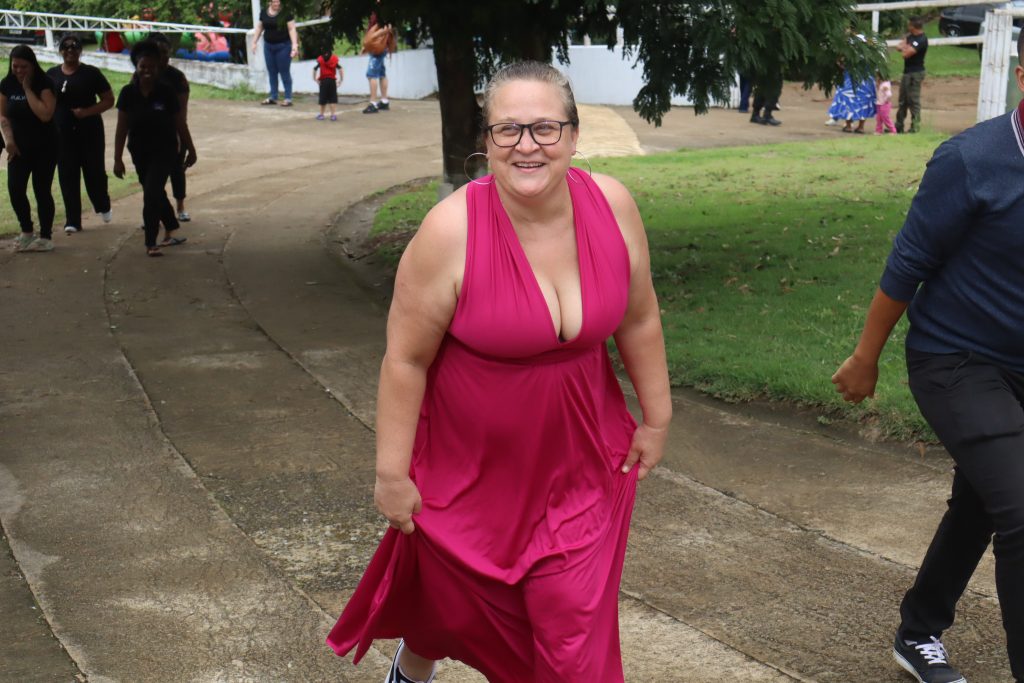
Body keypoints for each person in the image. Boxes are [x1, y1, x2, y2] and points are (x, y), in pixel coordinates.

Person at [326, 60, 672, 683]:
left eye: (545, 128)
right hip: (470, 473)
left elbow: (640, 316)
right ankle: (415, 662)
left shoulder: (613, 206)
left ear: (573, 135)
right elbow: (406, 359)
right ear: (486, 141)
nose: (526, 145)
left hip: (580, 468)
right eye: (507, 129)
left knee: (569, 637)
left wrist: (657, 417)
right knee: (456, 603)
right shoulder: (450, 230)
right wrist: (391, 474)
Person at [832, 31, 1024, 683]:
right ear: (1023, 77)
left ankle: (918, 631)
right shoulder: (972, 160)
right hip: (956, 358)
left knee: (985, 500)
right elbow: (908, 261)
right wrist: (866, 356)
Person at [113, 40, 197, 257]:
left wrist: (190, 148)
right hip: (139, 151)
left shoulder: (166, 93)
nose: (147, 71)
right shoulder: (127, 93)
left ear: (158, 68)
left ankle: (151, 241)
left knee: (151, 193)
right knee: (155, 191)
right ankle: (171, 224)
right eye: (143, 66)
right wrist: (117, 158)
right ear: (136, 67)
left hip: (164, 150)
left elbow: (180, 123)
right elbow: (121, 128)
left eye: (151, 66)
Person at [47, 34, 114, 235]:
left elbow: (108, 100)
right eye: (66, 47)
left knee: (94, 173)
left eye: (74, 47)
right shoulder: (51, 75)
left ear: (80, 50)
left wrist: (86, 112)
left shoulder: (91, 73)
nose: (70, 50)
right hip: (62, 134)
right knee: (67, 175)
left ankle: (102, 204)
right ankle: (73, 220)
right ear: (60, 50)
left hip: (90, 132)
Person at [0, 45, 58, 253]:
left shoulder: (45, 83)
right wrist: (9, 140)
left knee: (42, 190)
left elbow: (45, 114)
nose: (19, 70)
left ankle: (46, 236)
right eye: (15, 66)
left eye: (23, 66)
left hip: (45, 147)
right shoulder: (6, 84)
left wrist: (27, 89)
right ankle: (26, 231)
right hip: (18, 148)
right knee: (15, 188)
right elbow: (3, 115)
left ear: (32, 65)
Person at [150, 32, 193, 224]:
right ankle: (154, 210)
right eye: (159, 53)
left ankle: (180, 206)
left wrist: (180, 136)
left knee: (176, 169)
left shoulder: (177, 78)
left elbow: (182, 111)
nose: (163, 57)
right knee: (151, 175)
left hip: (174, 129)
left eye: (166, 53)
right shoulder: (142, 74)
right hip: (149, 132)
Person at [251, 0, 298, 107]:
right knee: (272, 71)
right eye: (274, 2)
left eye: (278, 2)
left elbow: (291, 29)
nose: (277, 4)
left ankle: (288, 98)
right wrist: (254, 42)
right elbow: (260, 27)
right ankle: (273, 96)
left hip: (283, 46)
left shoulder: (286, 13)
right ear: (269, 2)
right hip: (268, 46)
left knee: (284, 72)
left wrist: (294, 45)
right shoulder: (264, 12)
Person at [895, 17, 928, 134]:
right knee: (902, 101)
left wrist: (905, 48)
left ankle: (915, 127)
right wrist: (906, 47)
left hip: (915, 73)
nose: (908, 27)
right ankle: (898, 126)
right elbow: (898, 47)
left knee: (913, 101)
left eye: (909, 25)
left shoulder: (922, 39)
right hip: (907, 72)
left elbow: (905, 54)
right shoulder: (910, 37)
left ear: (913, 26)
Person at [360, 11, 396, 114]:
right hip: (380, 47)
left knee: (371, 75)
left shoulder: (381, 13)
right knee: (381, 74)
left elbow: (385, 28)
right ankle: (384, 101)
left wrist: (374, 37)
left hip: (378, 49)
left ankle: (373, 103)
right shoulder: (382, 11)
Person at [826, 70, 876, 134]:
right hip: (865, 75)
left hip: (852, 75)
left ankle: (848, 125)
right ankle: (860, 127)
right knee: (863, 99)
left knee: (848, 97)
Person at [313, 48, 342, 121]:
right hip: (332, 81)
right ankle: (333, 115)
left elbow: (315, 68)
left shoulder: (321, 59)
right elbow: (340, 68)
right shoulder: (334, 59)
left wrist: (315, 79)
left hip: (323, 81)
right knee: (332, 98)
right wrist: (341, 80)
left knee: (323, 98)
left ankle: (321, 115)